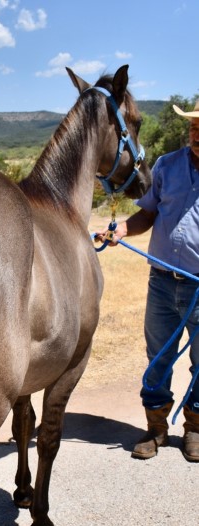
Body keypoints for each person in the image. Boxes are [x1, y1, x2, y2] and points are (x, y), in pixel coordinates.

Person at [100, 99, 199, 462]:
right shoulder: (166, 166)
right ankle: (156, 429)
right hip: (161, 283)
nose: (196, 134)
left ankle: (196, 429)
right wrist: (121, 230)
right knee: (158, 358)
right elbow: (148, 213)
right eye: (193, 127)